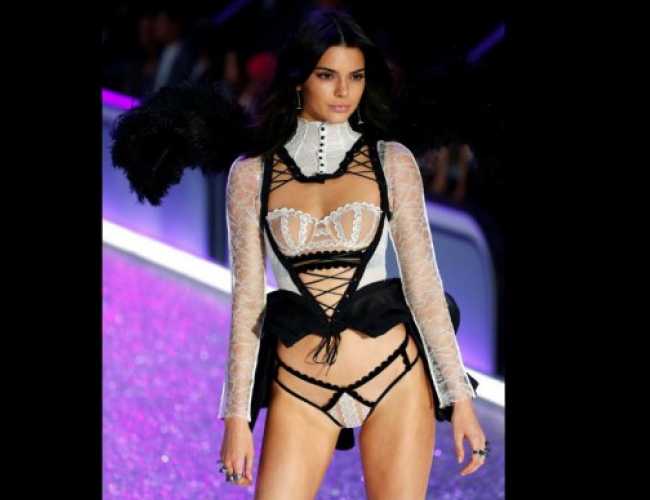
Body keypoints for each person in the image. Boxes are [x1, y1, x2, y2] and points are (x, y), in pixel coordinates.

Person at [109, 8, 489, 498]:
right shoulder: (252, 175)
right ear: (298, 79)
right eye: (327, 75)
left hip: (394, 375)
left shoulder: (391, 162)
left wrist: (459, 400)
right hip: (299, 387)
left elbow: (424, 287)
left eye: (356, 77)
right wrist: (237, 418)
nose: (343, 91)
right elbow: (249, 303)